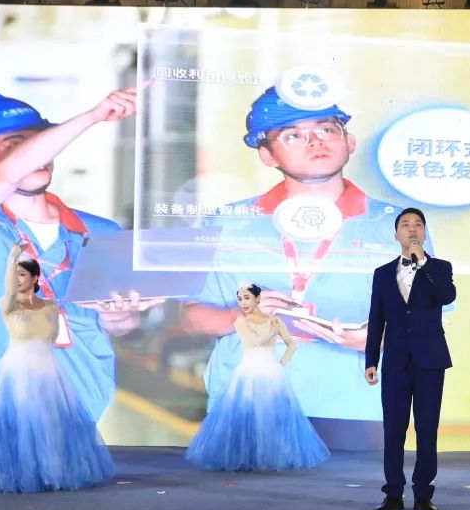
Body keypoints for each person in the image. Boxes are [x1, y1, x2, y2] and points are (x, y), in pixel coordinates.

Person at [183, 87, 439, 424]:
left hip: (358, 404)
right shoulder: (229, 221)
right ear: (267, 155)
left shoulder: (399, 224)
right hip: (247, 402)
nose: (315, 141)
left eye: (327, 129)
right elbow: (193, 315)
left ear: (349, 142)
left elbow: (428, 321)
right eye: (293, 135)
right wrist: (241, 318)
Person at [0, 88, 149, 422]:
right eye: (17, 145)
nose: (40, 154)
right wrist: (92, 116)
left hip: (76, 419)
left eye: (42, 141)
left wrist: (119, 317)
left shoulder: (101, 232)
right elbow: (5, 175)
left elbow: (118, 325)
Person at [0, 243, 114, 492]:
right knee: (21, 423)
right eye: (15, 275)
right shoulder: (8, 305)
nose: (17, 279)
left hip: (48, 371)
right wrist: (13, 258)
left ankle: (53, 473)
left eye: (22, 274)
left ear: (35, 278)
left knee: (52, 423)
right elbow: (8, 289)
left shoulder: (50, 306)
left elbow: (54, 336)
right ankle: (22, 474)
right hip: (16, 370)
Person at [365, 208, 456, 510]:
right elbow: (376, 318)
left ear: (424, 233)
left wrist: (423, 262)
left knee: (427, 430)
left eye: (418, 225)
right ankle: (393, 494)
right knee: (393, 430)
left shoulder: (439, 268)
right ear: (396, 235)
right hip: (395, 361)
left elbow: (447, 296)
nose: (412, 229)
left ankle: (423, 495)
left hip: (430, 360)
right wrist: (371, 359)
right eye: (405, 225)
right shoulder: (382, 273)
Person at [185, 282, 329, 472]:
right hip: (249, 364)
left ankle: (274, 455)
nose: (247, 303)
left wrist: (282, 361)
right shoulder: (242, 321)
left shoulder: (274, 321)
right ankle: (245, 456)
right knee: (242, 409)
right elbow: (202, 322)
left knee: (276, 411)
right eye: (244, 299)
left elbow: (291, 344)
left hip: (267, 365)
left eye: (249, 299)